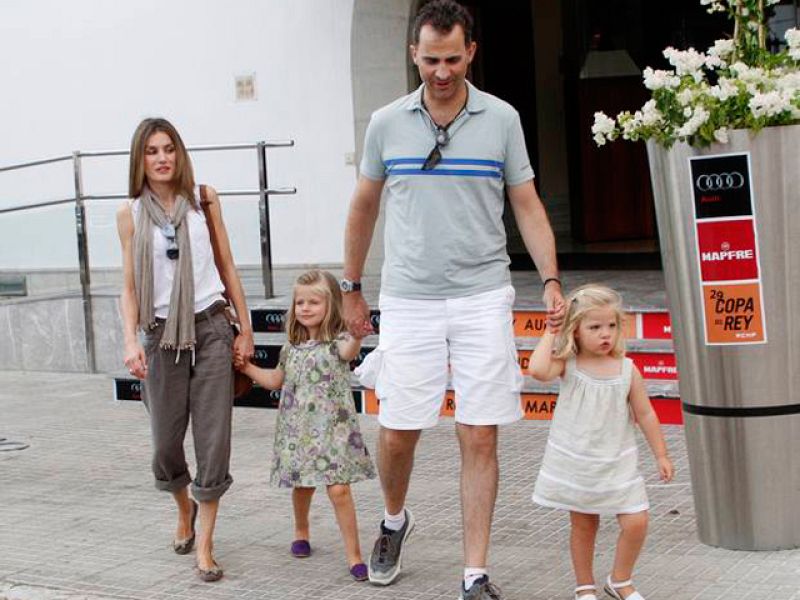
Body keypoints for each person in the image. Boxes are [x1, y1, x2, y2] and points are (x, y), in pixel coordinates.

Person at [342, 1, 565, 597]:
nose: (441, 71)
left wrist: (549, 279)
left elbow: (526, 202)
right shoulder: (386, 122)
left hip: (482, 294)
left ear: (471, 52)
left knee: (479, 432)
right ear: (414, 53)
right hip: (410, 297)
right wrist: (351, 286)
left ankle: (475, 572)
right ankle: (394, 520)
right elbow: (363, 207)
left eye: (452, 58)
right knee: (398, 429)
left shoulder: (502, 119)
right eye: (430, 59)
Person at [117, 117, 254, 582]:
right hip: (160, 337)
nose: (162, 158)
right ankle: (183, 507)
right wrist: (131, 338)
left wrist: (246, 329)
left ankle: (207, 546)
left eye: (169, 148)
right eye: (152, 150)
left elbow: (227, 265)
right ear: (140, 159)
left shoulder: (204, 200)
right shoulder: (129, 214)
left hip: (212, 326)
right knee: (164, 443)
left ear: (180, 154)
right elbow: (129, 286)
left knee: (214, 441)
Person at [528, 284, 674, 600]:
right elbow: (538, 370)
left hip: (617, 462)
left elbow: (645, 414)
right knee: (584, 526)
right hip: (579, 461)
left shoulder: (627, 369)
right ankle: (584, 586)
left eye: (611, 325)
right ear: (576, 331)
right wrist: (552, 331)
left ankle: (620, 580)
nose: (605, 334)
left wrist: (661, 454)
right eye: (594, 327)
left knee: (636, 521)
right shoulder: (568, 364)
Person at [238, 269, 376, 581]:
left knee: (339, 490)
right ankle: (301, 530)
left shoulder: (338, 343)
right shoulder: (291, 349)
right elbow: (275, 380)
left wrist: (357, 333)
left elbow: (350, 351)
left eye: (314, 302)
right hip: (299, 432)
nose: (305, 308)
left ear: (331, 307)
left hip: (334, 432)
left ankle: (354, 555)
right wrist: (247, 367)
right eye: (300, 302)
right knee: (302, 487)